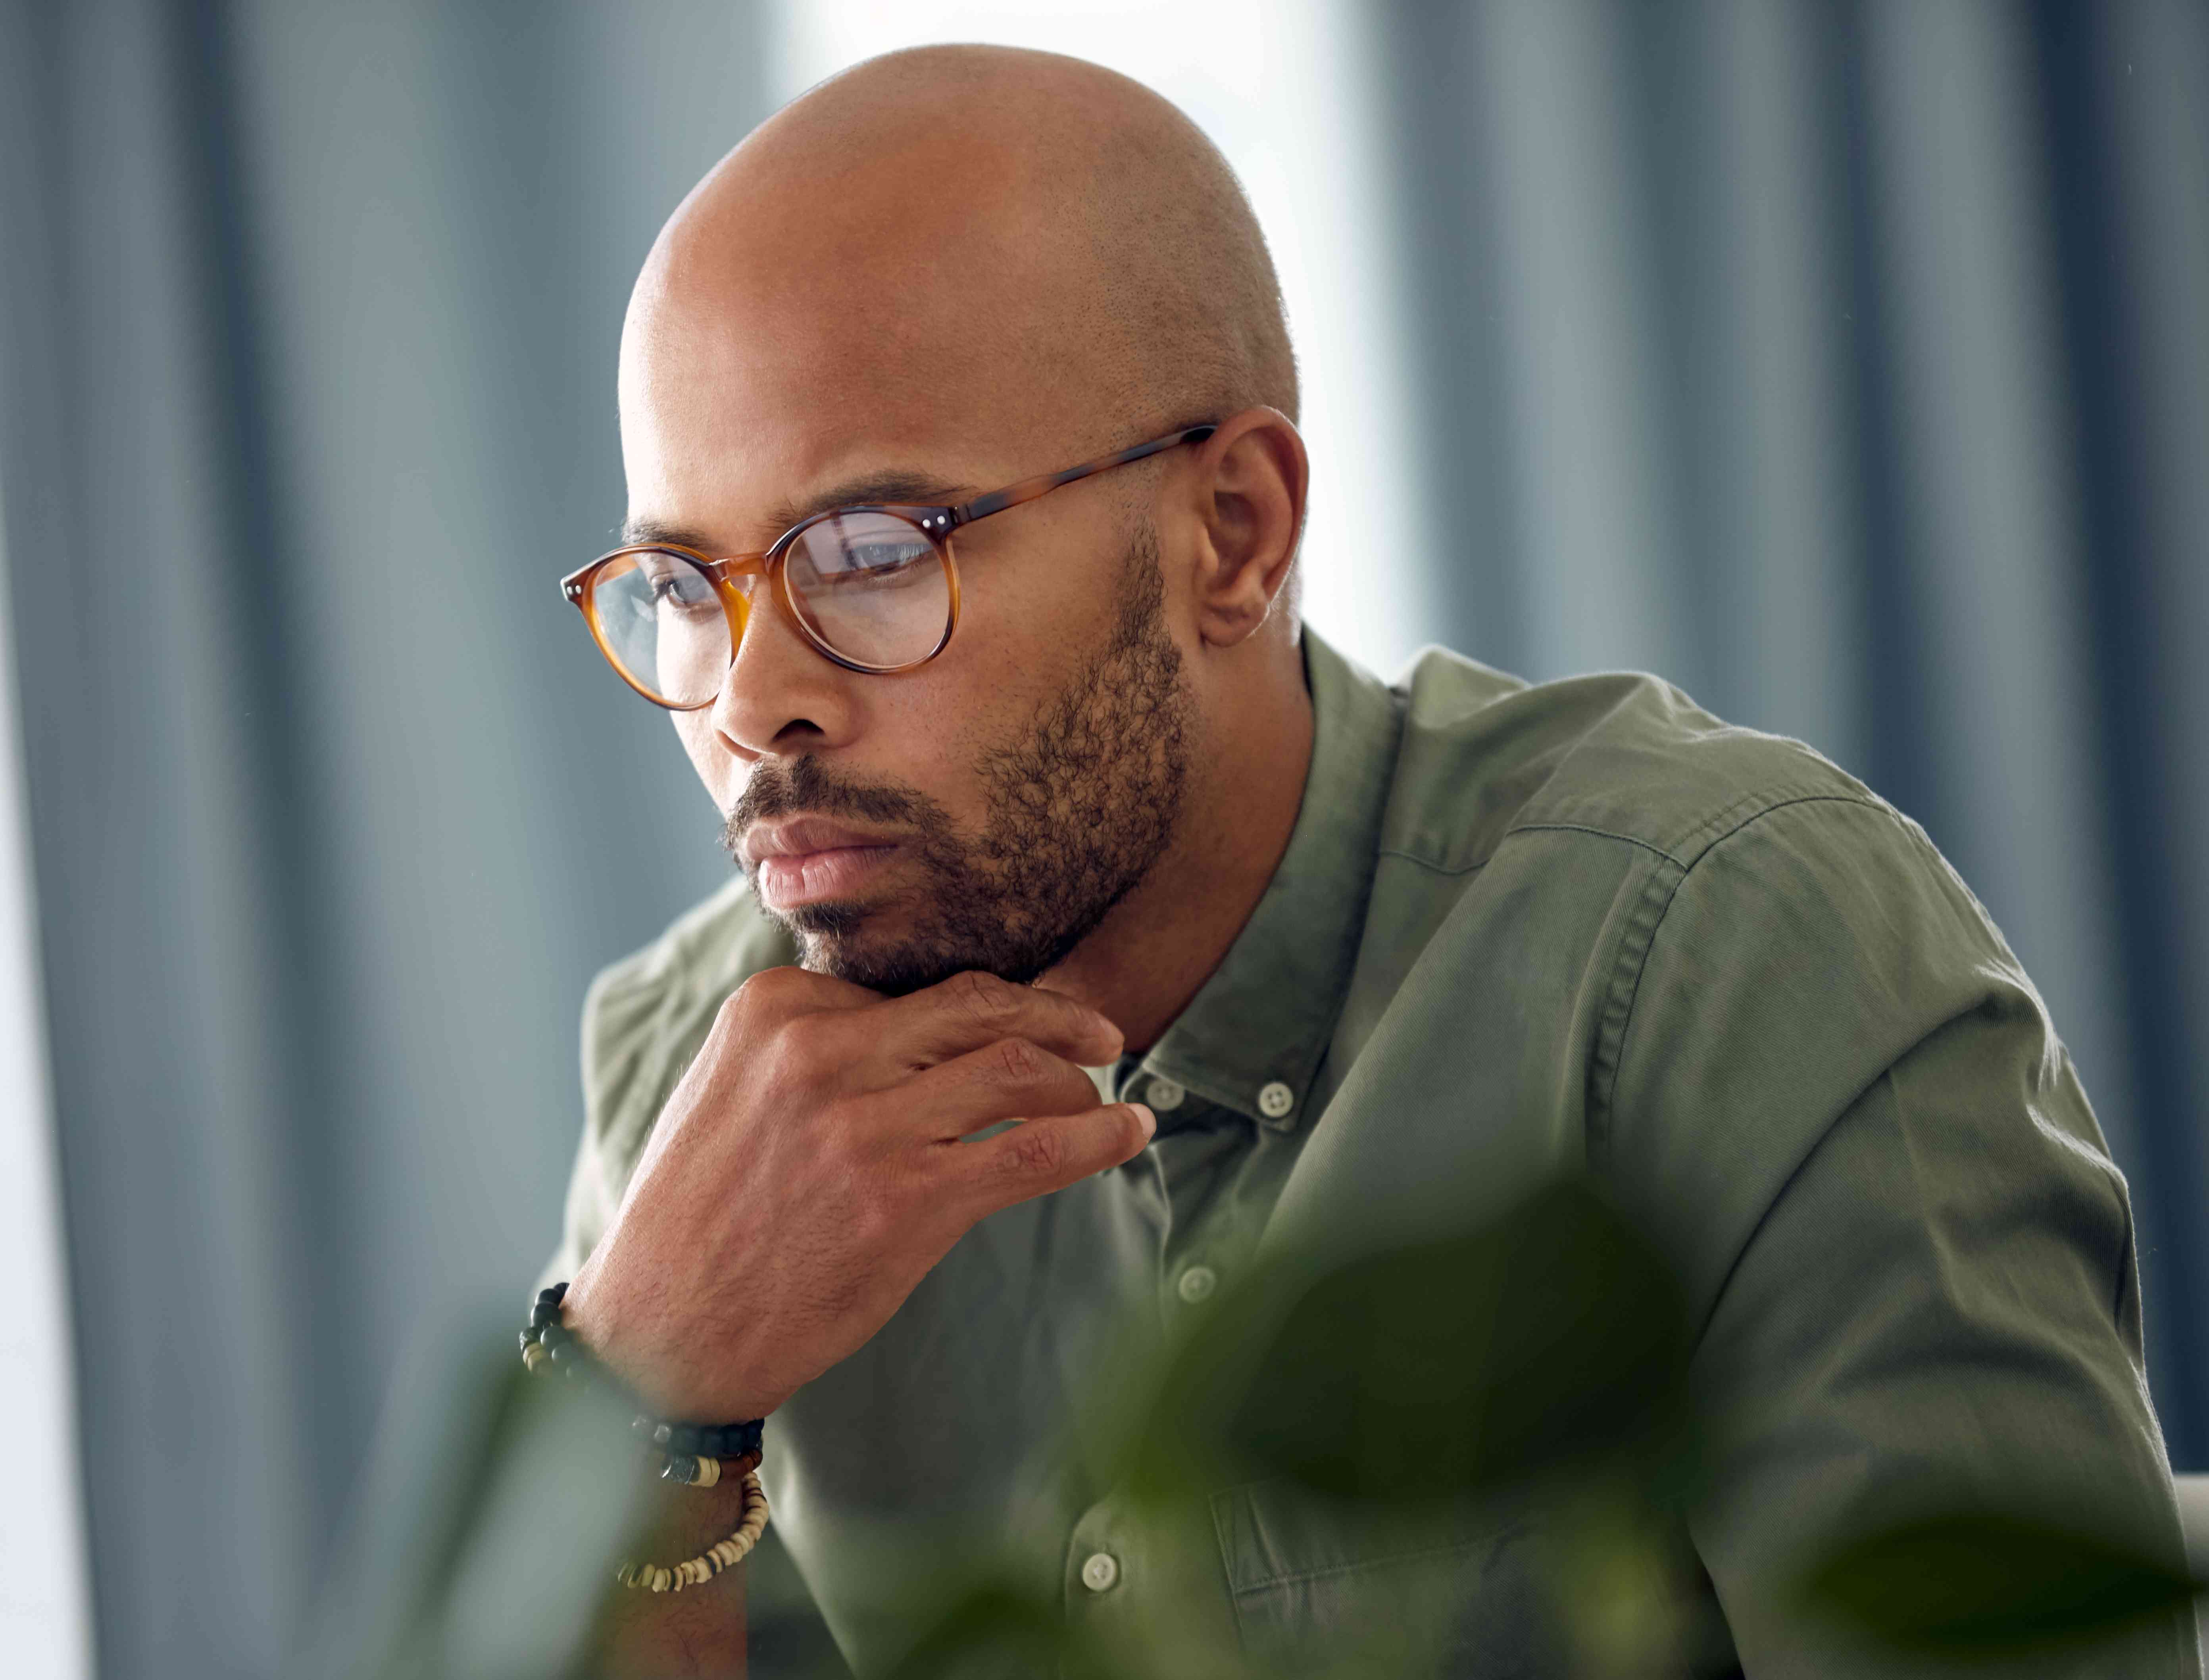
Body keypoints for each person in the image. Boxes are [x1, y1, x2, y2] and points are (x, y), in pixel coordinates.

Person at [536, 42, 2196, 1678]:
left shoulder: (1734, 955)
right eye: (684, 588)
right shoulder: (699, 1067)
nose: (751, 701)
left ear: (1233, 534)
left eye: (871, 553)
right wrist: (635, 1403)